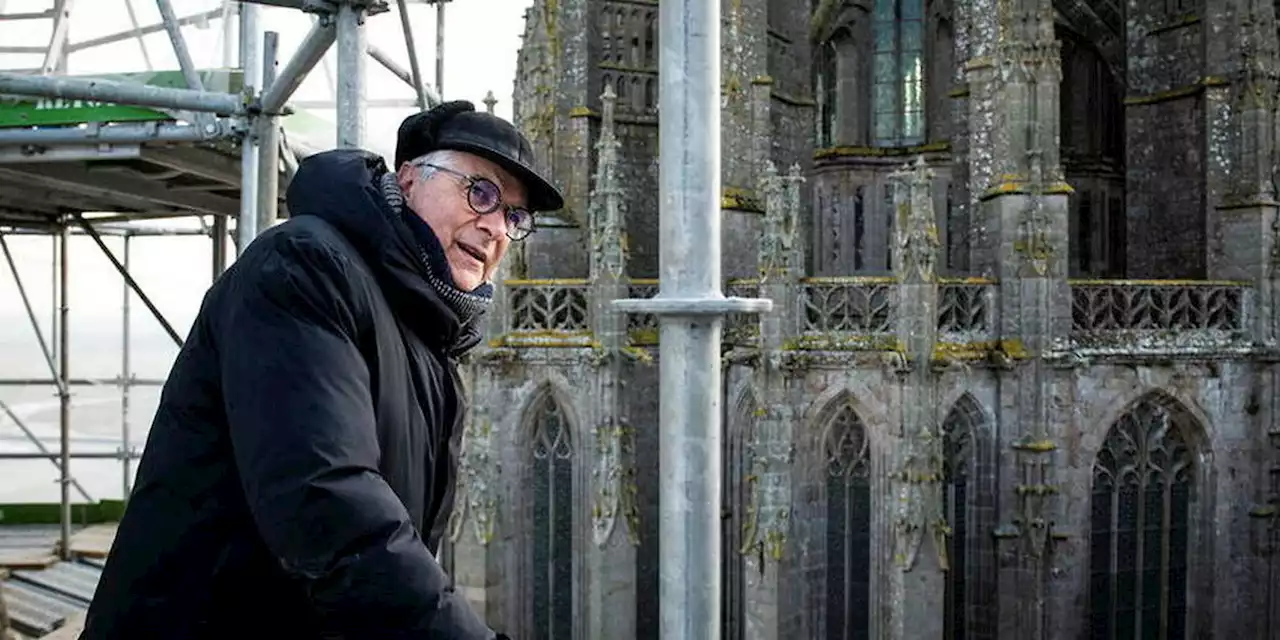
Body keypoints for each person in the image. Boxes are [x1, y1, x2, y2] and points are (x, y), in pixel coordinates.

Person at [80, 101, 563, 639]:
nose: (495, 225)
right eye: (482, 192)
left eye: (514, 217)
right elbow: (329, 503)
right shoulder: (303, 266)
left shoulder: (426, 333)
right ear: (408, 179)